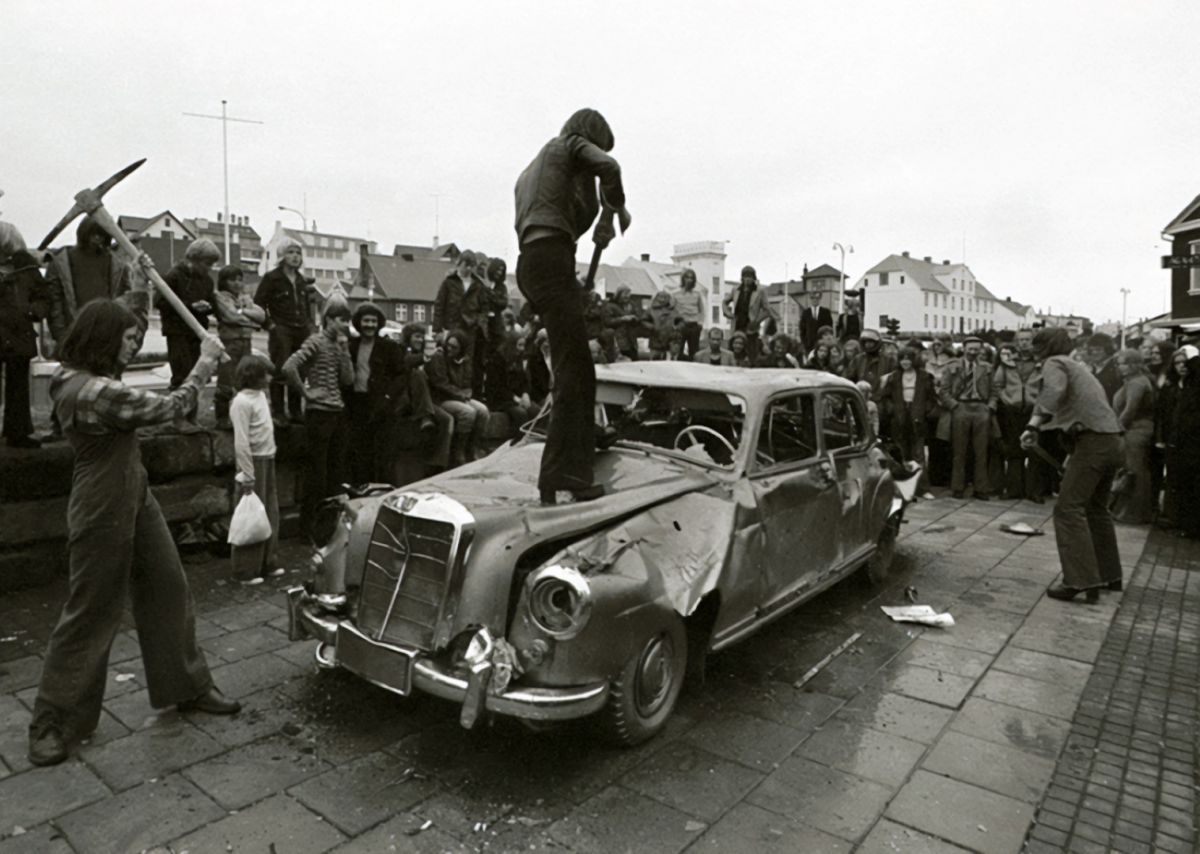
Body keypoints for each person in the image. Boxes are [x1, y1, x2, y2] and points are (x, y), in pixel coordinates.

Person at [28, 300, 238, 767]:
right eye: (127, 340)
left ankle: (186, 686)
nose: (134, 347)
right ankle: (51, 720)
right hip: (102, 504)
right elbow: (171, 406)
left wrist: (140, 276)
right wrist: (204, 364)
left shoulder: (79, 374)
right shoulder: (90, 390)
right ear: (103, 339)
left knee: (168, 587)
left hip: (134, 494)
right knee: (90, 611)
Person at [514, 107, 630, 504]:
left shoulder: (535, 169)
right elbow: (610, 168)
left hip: (534, 262)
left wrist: (606, 215)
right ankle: (563, 474)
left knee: (574, 365)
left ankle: (582, 439)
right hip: (550, 258)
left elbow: (584, 201)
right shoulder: (569, 145)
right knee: (575, 372)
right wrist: (614, 207)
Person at [1021, 327, 1125, 602]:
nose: (1033, 350)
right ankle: (1109, 575)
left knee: (1068, 509)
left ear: (1046, 347)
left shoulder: (1054, 363)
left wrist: (1033, 424)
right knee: (1096, 509)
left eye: (1036, 345)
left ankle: (1080, 581)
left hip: (1092, 442)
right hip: (1111, 439)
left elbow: (1054, 391)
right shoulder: (1077, 366)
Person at [282, 297, 354, 534]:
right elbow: (289, 366)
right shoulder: (316, 341)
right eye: (339, 319)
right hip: (319, 413)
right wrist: (306, 393)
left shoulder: (341, 345)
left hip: (337, 412)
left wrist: (344, 352)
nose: (343, 324)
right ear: (328, 319)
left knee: (336, 472)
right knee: (317, 474)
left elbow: (348, 380)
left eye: (346, 320)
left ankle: (328, 525)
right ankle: (308, 527)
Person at [44, 215, 145, 353]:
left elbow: (124, 302)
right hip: (73, 335)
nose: (97, 239)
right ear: (84, 233)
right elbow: (54, 304)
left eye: (101, 235)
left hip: (107, 335)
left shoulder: (117, 265)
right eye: (93, 234)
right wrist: (62, 336)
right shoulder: (62, 261)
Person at [229, 353, 282, 585]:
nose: (269, 378)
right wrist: (247, 472)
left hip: (267, 457)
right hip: (253, 461)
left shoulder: (260, 395)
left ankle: (267, 560)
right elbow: (241, 440)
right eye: (265, 374)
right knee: (250, 516)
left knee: (269, 511)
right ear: (254, 376)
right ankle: (245, 569)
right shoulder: (241, 402)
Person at [346, 302, 408, 484]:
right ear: (359, 323)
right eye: (366, 321)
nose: (370, 325)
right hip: (358, 404)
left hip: (381, 406)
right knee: (359, 453)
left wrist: (388, 397)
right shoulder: (352, 346)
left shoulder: (388, 347)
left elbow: (402, 375)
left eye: (374, 321)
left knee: (382, 454)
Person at [255, 237, 314, 423]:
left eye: (298, 253)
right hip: (282, 329)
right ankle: (279, 412)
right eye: (291, 252)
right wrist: (270, 325)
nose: (295, 257)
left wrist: (309, 325)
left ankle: (296, 411)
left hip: (301, 330)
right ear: (282, 256)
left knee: (299, 371)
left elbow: (307, 305)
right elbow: (258, 304)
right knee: (280, 370)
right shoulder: (272, 278)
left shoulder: (302, 280)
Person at [0, 221, 47, 447]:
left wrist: (33, 311)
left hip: (19, 334)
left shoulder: (27, 269)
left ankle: (18, 432)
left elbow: (42, 296)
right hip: (7, 331)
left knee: (19, 386)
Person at [158, 238, 218, 394]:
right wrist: (190, 306)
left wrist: (207, 307)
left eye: (211, 264)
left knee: (197, 375)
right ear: (194, 259)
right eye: (207, 263)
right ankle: (178, 413)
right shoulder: (174, 276)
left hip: (198, 333)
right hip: (178, 332)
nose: (209, 268)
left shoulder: (207, 281)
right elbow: (161, 302)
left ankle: (191, 414)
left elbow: (212, 303)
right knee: (181, 376)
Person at [426, 330, 491, 466]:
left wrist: (467, 392)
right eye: (448, 345)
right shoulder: (439, 357)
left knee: (483, 411)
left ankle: (472, 447)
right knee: (468, 412)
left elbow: (467, 381)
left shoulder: (464, 360)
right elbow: (440, 383)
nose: (450, 349)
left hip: (458, 395)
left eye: (454, 347)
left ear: (462, 348)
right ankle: (458, 451)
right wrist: (461, 395)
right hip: (441, 398)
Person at [212, 265, 266, 429]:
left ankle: (243, 415)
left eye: (240, 279)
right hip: (230, 342)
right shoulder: (220, 296)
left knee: (245, 378)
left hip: (246, 341)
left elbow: (262, 315)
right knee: (226, 379)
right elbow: (230, 316)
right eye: (232, 279)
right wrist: (248, 316)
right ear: (224, 281)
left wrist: (242, 311)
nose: (237, 283)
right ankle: (221, 419)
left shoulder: (244, 298)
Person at [940, 335, 992, 499]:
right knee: (959, 450)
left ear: (981, 350)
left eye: (976, 349)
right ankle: (958, 487)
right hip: (961, 406)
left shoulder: (987, 368)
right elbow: (943, 390)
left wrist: (990, 407)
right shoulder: (952, 366)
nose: (973, 352)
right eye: (970, 349)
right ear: (963, 348)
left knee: (981, 451)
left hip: (981, 408)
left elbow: (995, 390)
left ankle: (981, 488)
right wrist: (954, 406)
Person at [879, 347, 935, 495]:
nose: (905, 362)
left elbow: (931, 398)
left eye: (908, 359)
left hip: (918, 417)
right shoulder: (894, 377)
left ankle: (922, 489)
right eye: (902, 359)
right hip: (899, 417)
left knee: (919, 454)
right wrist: (893, 410)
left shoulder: (924, 376)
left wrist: (924, 411)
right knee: (901, 454)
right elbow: (885, 397)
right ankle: (902, 488)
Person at [1110, 348, 1156, 524]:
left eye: (1123, 363)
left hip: (1136, 430)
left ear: (1133, 365)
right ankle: (1133, 512)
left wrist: (1117, 429)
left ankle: (1133, 514)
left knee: (1133, 471)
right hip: (1136, 429)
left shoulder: (1137, 383)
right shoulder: (1135, 381)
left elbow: (1129, 411)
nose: (1120, 367)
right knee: (1134, 470)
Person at [400, 324, 452, 474]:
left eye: (422, 336)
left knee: (446, 419)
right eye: (416, 336)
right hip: (408, 400)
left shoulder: (426, 354)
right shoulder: (402, 351)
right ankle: (425, 417)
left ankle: (437, 463)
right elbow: (407, 362)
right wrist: (426, 357)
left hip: (426, 402)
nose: (420, 339)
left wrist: (437, 357)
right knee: (418, 374)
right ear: (408, 337)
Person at [990, 342, 1038, 500]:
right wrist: (1007, 400)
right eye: (1022, 339)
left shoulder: (1040, 363)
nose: (1025, 343)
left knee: (1034, 450)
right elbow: (997, 385)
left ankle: (1033, 491)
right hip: (1012, 410)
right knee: (1014, 449)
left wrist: (1037, 401)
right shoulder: (1007, 363)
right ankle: (1014, 490)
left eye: (1028, 339)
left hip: (1034, 410)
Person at [1168, 349, 1200, 539]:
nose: (1182, 367)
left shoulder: (1190, 388)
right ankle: (1185, 523)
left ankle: (1189, 525)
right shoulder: (1180, 387)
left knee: (1189, 484)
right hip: (1184, 442)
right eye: (1178, 363)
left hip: (1190, 443)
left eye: (1185, 363)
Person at [721, 266, 774, 361]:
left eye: (750, 277)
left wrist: (756, 321)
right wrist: (728, 313)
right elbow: (725, 302)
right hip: (737, 325)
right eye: (745, 277)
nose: (748, 279)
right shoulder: (736, 289)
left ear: (754, 278)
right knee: (735, 351)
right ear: (742, 278)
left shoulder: (760, 291)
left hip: (751, 327)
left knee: (751, 352)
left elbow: (767, 310)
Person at [844, 328, 895, 396]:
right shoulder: (858, 359)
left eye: (871, 342)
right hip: (861, 398)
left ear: (877, 343)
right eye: (866, 342)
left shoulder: (888, 360)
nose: (868, 344)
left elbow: (893, 381)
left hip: (882, 399)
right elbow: (848, 378)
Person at [603, 285, 643, 361]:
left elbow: (639, 317)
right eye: (625, 294)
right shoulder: (610, 306)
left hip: (632, 340)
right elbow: (607, 321)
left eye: (628, 294)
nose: (627, 296)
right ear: (619, 294)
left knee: (635, 362)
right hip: (618, 340)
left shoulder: (632, 304)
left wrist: (635, 318)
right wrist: (622, 319)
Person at [674, 270, 706, 359]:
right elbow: (672, 311)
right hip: (681, 326)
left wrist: (700, 323)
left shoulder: (697, 294)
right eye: (687, 277)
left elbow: (702, 310)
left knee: (694, 352)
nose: (689, 280)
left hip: (694, 326)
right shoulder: (675, 294)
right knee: (678, 351)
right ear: (683, 279)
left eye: (691, 278)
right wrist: (675, 325)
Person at [1086, 332, 1121, 404]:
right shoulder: (1090, 367)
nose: (1094, 352)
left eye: (1098, 350)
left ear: (1108, 349)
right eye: (1092, 350)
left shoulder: (1117, 367)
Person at [647, 290, 681, 360]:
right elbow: (643, 320)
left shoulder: (673, 311)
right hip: (655, 340)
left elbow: (681, 321)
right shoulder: (651, 310)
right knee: (654, 361)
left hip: (669, 341)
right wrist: (651, 327)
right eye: (660, 297)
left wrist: (677, 327)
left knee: (668, 363)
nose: (663, 299)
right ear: (656, 298)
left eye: (665, 297)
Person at [799, 290, 833, 354]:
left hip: (823, 344)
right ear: (810, 299)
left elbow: (829, 329)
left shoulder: (826, 312)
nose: (814, 300)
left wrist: (826, 341)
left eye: (817, 298)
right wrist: (805, 342)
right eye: (812, 298)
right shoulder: (806, 313)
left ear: (820, 299)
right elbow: (802, 330)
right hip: (809, 345)